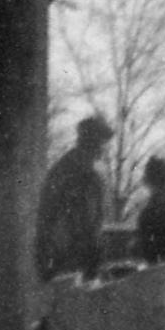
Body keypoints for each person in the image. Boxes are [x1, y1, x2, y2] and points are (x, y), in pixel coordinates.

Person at [35, 115, 113, 282]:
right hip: (67, 260)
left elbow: (95, 220)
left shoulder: (90, 175)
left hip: (83, 258)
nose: (103, 150)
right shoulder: (68, 172)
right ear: (90, 143)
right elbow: (54, 220)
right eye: (101, 143)